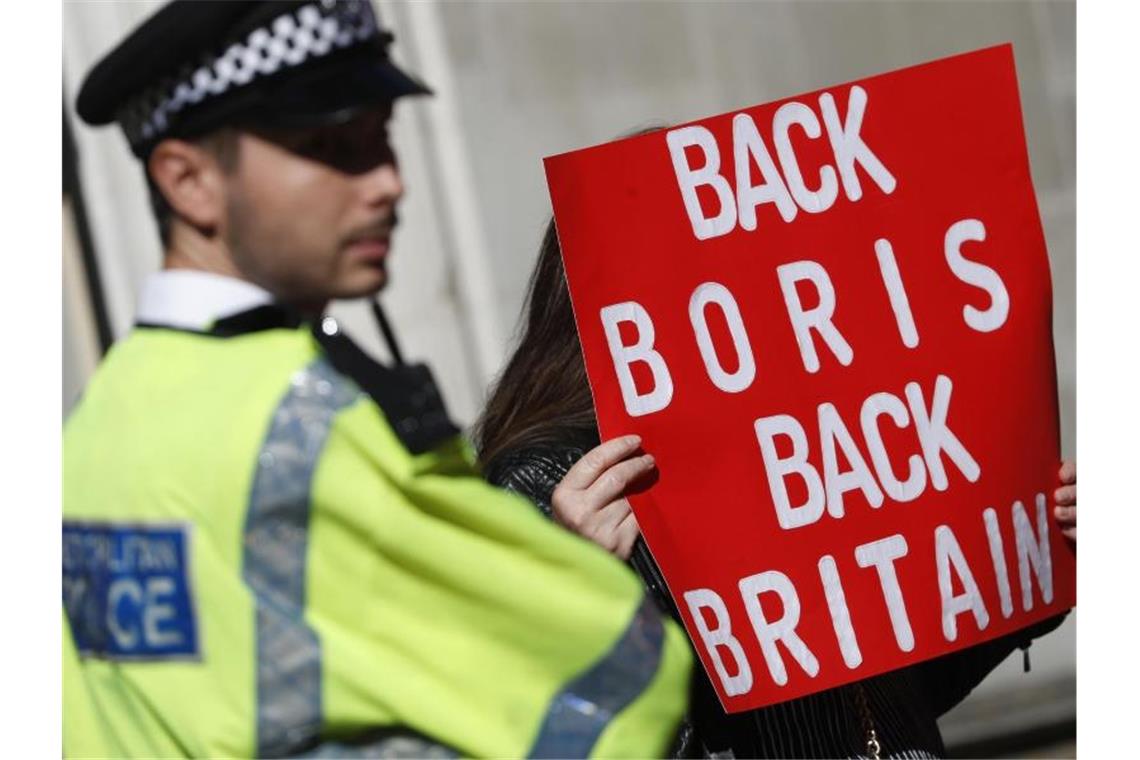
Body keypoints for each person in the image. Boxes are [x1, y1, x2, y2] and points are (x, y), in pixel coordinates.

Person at [62, 2, 694, 757]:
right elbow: (605, 693)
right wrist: (584, 594)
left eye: (381, 137)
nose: (387, 182)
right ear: (188, 180)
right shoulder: (313, 425)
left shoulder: (94, 428)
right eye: (331, 147)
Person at [475, 218, 1077, 759]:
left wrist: (1033, 554)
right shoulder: (556, 481)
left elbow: (888, 697)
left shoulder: (797, 432)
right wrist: (581, 599)